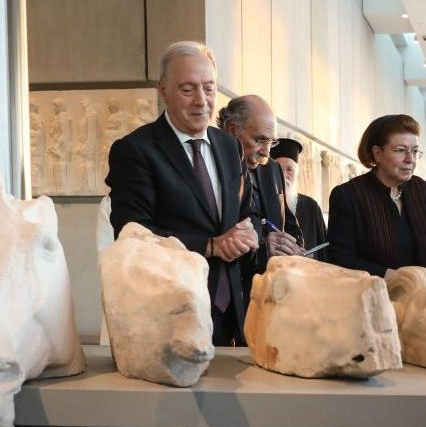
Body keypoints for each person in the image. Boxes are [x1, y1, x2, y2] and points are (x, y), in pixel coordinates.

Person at [106, 41, 258, 347]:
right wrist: (209, 246)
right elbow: (132, 233)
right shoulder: (135, 151)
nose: (201, 101)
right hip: (173, 313)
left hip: (233, 315)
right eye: (188, 89)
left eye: (209, 88)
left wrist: (249, 232)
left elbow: (245, 211)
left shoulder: (229, 146)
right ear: (163, 91)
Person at [326, 114, 426, 280]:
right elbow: (341, 258)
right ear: (377, 153)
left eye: (414, 151)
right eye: (400, 150)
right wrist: (394, 278)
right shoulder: (348, 195)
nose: (410, 160)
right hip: (372, 297)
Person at [218, 95, 305, 269]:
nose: (266, 152)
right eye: (260, 140)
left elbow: (289, 224)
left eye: (271, 142)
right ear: (232, 130)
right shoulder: (211, 167)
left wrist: (294, 247)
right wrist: (263, 246)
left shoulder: (272, 169)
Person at [270, 138, 328, 261]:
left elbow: (325, 253)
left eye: (289, 170)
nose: (284, 175)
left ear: (297, 172)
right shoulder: (261, 203)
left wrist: (309, 256)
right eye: (278, 169)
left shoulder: (311, 206)